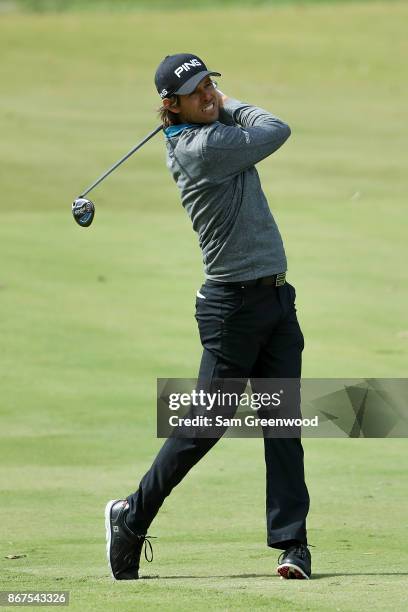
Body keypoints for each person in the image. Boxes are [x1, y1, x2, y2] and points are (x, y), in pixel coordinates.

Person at [105, 53, 311, 581]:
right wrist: (228, 105)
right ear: (171, 105)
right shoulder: (202, 149)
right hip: (231, 308)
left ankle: (293, 545)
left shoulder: (207, 127)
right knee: (205, 426)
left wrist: (213, 104)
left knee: (282, 422)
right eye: (197, 92)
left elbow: (244, 122)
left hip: (274, 299)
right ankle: (131, 515)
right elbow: (276, 128)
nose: (210, 95)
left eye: (211, 85)